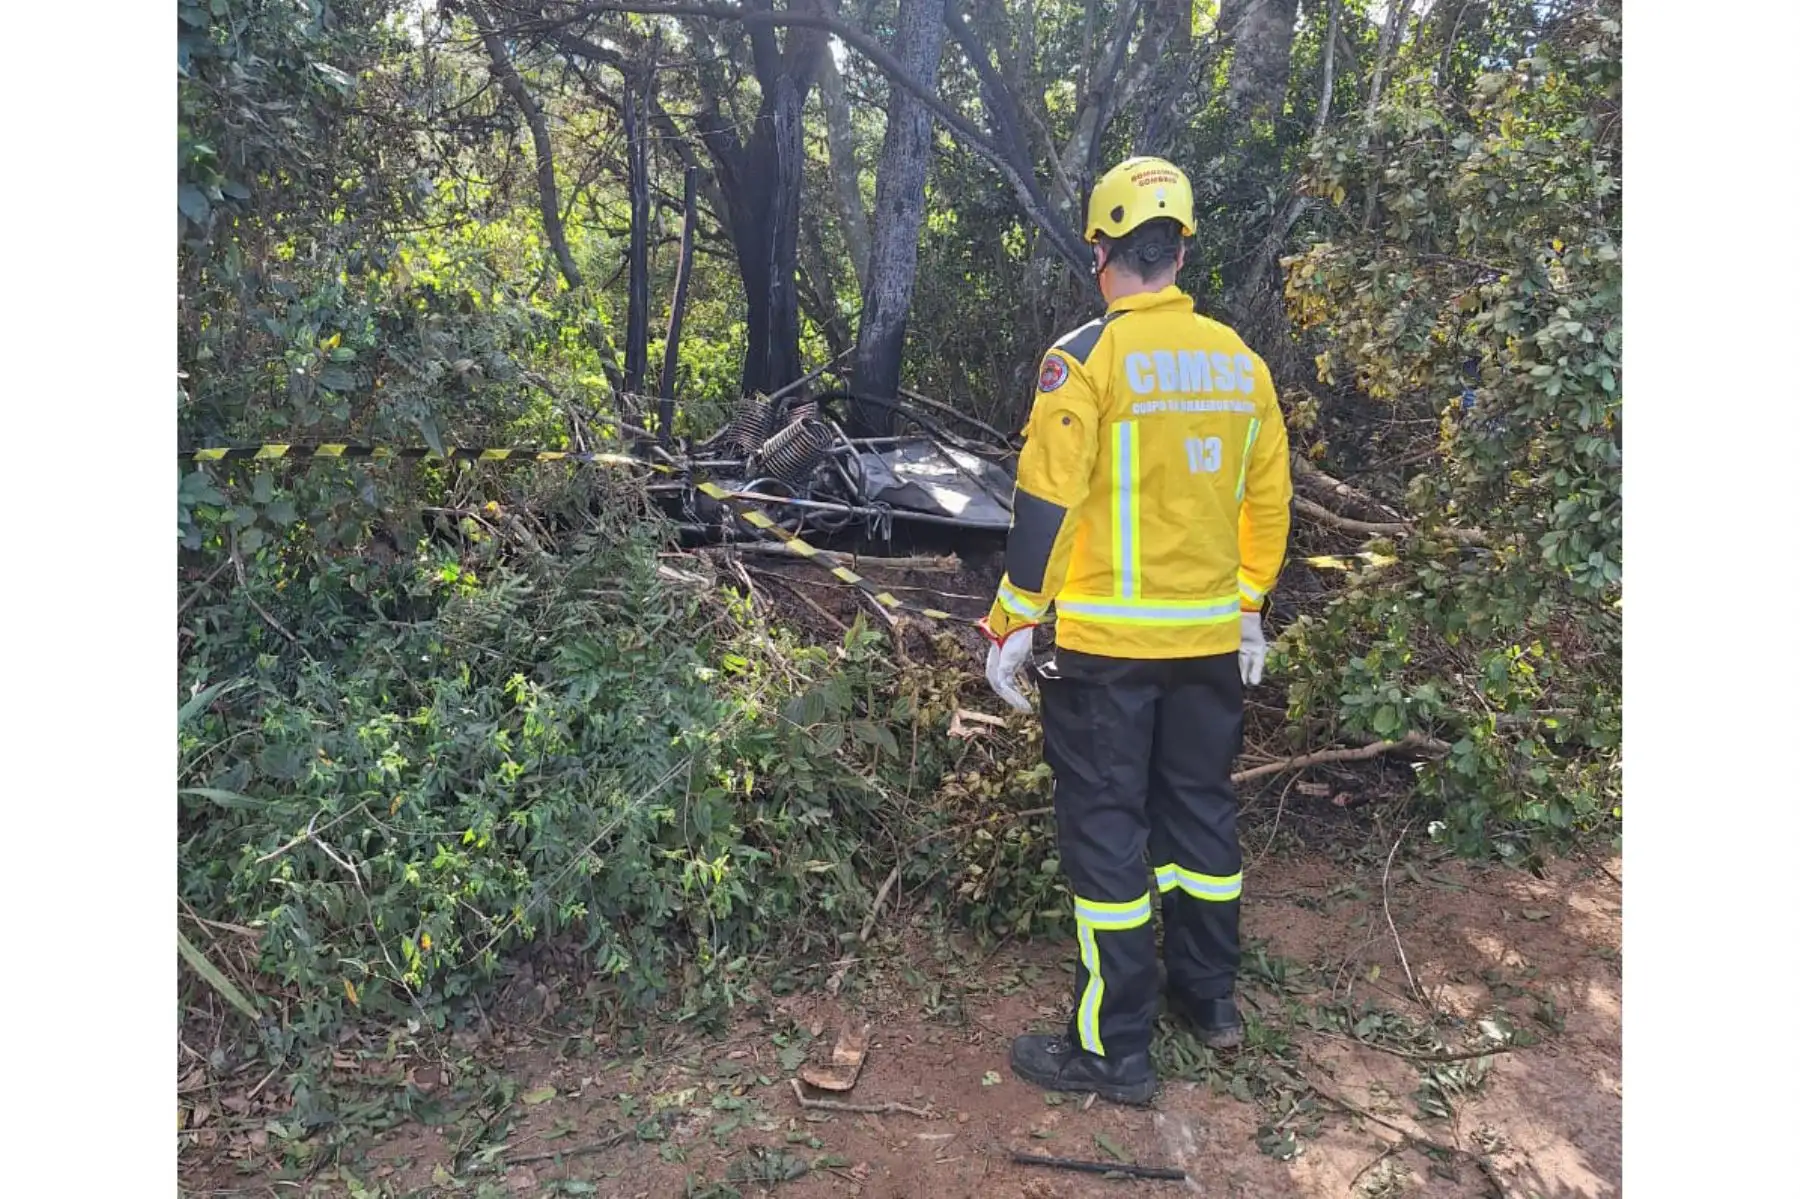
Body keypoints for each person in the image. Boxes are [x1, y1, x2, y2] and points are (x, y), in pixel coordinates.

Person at [977, 156, 1294, 1105]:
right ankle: (1211, 999)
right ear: (1184, 247)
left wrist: (1013, 618)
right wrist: (1247, 604)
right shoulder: (1242, 364)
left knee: (1108, 834)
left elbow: (1046, 497)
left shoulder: (1086, 358)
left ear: (1102, 252)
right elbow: (1266, 501)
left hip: (1107, 653)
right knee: (1198, 812)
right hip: (1207, 648)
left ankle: (1113, 1048)